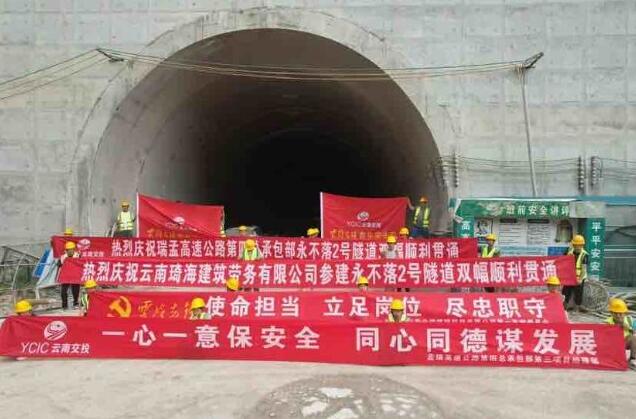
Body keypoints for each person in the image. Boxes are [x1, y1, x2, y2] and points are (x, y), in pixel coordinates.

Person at [605, 298, 635, 368]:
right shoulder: (607, 322)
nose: (618, 316)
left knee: (633, 338)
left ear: (625, 313)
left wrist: (628, 328)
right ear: (611, 313)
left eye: (620, 313)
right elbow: (604, 336)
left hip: (625, 342)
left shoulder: (630, 320)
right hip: (613, 344)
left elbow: (634, 332)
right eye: (615, 313)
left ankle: (632, 358)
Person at [562, 234, 588, 312]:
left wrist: (580, 279)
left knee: (578, 293)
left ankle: (577, 308)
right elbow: (562, 261)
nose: (577, 247)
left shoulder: (584, 255)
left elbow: (584, 269)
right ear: (573, 245)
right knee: (566, 292)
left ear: (582, 245)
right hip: (569, 276)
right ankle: (563, 307)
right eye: (576, 245)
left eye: (579, 245)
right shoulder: (568, 251)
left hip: (579, 277)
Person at [58, 241, 80, 310]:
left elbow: (81, 265)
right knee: (63, 291)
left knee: (75, 290)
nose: (70, 251)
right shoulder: (62, 257)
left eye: (71, 249)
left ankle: (75, 303)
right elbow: (59, 265)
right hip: (66, 276)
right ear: (66, 250)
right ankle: (64, 305)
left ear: (74, 249)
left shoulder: (78, 256)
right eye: (68, 250)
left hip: (75, 275)